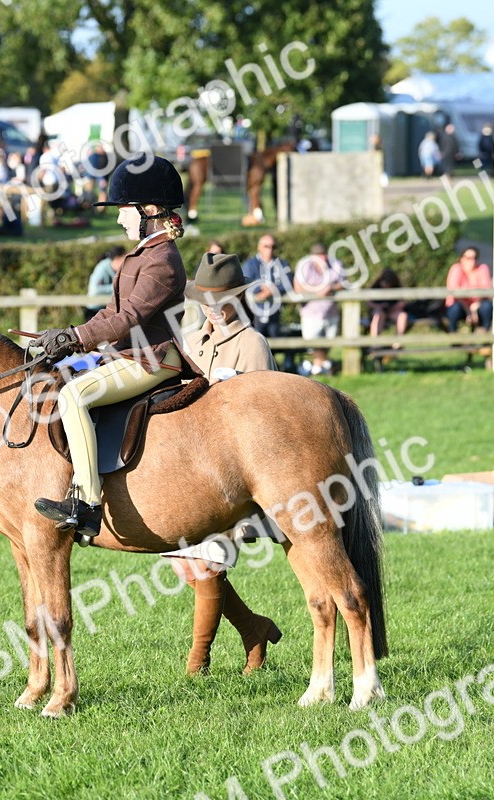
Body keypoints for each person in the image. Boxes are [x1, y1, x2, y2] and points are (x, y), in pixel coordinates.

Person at [28, 154, 191, 545]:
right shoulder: (144, 254)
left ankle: (86, 502)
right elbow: (111, 310)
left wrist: (75, 338)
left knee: (73, 396)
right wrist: (68, 336)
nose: (119, 218)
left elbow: (128, 319)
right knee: (64, 379)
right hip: (127, 354)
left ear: (149, 210)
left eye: (123, 210)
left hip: (151, 358)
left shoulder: (163, 261)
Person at [173, 251, 280, 675]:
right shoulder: (195, 339)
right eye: (206, 300)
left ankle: (196, 663)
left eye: (222, 301)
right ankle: (254, 630)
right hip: (192, 468)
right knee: (191, 565)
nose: (213, 309)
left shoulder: (252, 343)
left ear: (238, 298)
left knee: (206, 563)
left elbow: (267, 415)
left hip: (234, 476)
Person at [293, 243, 347, 376]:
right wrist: (317, 292)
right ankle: (322, 364)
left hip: (330, 312)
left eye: (324, 254)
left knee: (328, 342)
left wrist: (331, 288)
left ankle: (319, 366)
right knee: (313, 342)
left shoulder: (335, 264)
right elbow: (297, 287)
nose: (323, 258)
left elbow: (344, 283)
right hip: (311, 313)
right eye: (319, 255)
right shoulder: (304, 266)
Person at [240, 234, 293, 339]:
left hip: (275, 312)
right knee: (255, 343)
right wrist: (260, 289)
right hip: (254, 312)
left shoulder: (282, 264)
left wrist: (272, 290)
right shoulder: (250, 264)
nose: (270, 249)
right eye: (266, 246)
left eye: (273, 246)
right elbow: (246, 282)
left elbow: (288, 283)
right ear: (259, 247)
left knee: (275, 346)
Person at [445, 246, 493, 332]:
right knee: (454, 308)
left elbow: (486, 289)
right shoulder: (456, 269)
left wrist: (476, 305)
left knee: (487, 306)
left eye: (475, 258)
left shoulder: (482, 268)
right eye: (468, 258)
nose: (472, 261)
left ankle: (486, 337)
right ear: (462, 258)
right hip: (461, 305)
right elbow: (454, 291)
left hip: (477, 305)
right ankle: (453, 337)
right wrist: (468, 311)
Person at [367, 268, 409, 343]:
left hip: (392, 311)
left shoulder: (397, 287)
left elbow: (403, 301)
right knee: (378, 315)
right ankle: (375, 342)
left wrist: (396, 306)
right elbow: (368, 302)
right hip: (379, 311)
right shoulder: (375, 287)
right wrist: (379, 306)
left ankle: (397, 343)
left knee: (402, 316)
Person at [84, 246, 124, 321]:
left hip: (106, 310)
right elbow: (94, 289)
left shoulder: (116, 269)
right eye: (124, 259)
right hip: (93, 311)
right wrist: (115, 287)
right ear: (117, 259)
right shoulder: (102, 267)